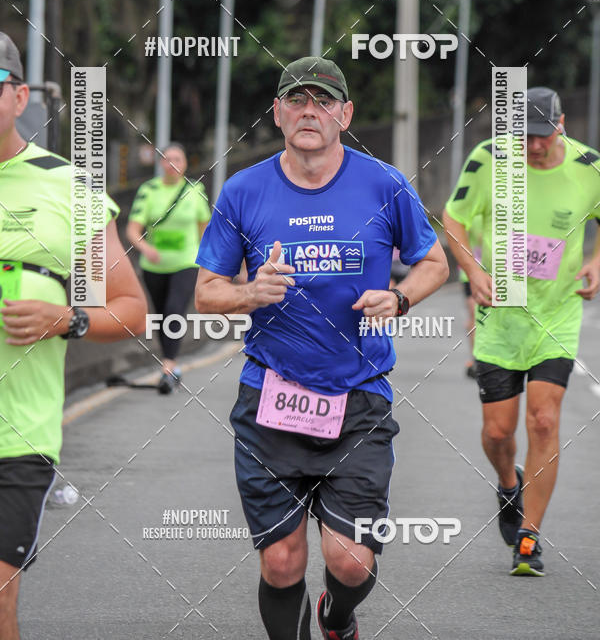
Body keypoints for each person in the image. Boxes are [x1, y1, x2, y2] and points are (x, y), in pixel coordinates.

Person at [195, 56, 448, 640]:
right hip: (271, 397)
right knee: (281, 561)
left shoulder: (384, 184)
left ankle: (337, 618)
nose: (311, 111)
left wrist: (401, 300)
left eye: (324, 101)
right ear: (278, 113)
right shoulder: (243, 190)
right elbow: (206, 292)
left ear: (346, 114)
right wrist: (249, 292)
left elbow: (433, 263)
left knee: (350, 561)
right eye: (298, 100)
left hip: (358, 397)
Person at [0, 32, 147, 640]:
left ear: (19, 97)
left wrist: (67, 319)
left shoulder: (66, 187)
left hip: (18, 435)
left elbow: (131, 310)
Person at [443, 87, 600, 576]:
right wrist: (474, 271)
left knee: (544, 421)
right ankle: (508, 484)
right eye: (524, 136)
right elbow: (454, 219)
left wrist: (597, 262)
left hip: (557, 313)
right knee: (497, 433)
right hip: (501, 316)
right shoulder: (490, 159)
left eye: (542, 134)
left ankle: (529, 537)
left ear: (562, 124)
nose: (532, 146)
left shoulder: (590, 165)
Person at [126, 144, 211, 393]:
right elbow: (132, 230)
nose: (172, 163)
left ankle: (167, 366)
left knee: (174, 310)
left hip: (186, 262)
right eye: (167, 159)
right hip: (154, 265)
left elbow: (204, 228)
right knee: (162, 316)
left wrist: (208, 261)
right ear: (161, 163)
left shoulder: (196, 190)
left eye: (177, 158)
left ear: (185, 163)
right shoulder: (148, 190)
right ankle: (170, 365)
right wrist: (146, 249)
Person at [457, 213, 483, 378]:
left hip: (497, 272)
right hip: (471, 273)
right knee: (474, 314)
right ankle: (476, 360)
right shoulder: (471, 215)